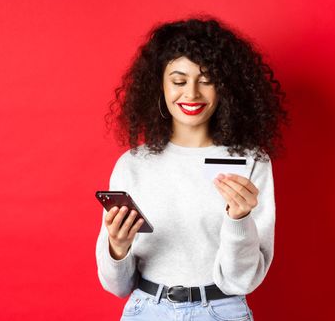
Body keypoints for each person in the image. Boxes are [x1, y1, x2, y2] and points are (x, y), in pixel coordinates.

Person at [95, 16, 288, 321]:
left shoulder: (252, 161)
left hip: (222, 310)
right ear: (159, 85)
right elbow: (116, 286)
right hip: (146, 311)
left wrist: (239, 219)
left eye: (207, 80)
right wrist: (117, 247)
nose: (192, 94)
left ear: (225, 87)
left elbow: (241, 281)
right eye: (179, 81)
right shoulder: (132, 165)